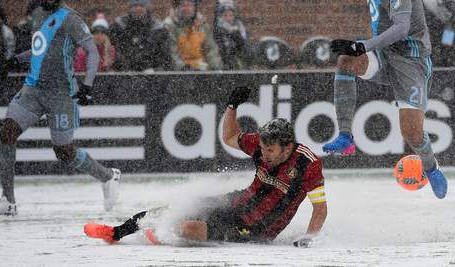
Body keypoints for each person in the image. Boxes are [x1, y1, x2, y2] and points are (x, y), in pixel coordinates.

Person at [84, 86, 327, 246]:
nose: (264, 154)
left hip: (257, 229)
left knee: (189, 227)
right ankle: (116, 233)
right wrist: (232, 106)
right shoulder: (262, 145)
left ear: (287, 147)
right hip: (238, 202)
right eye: (262, 148)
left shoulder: (308, 164)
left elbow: (320, 209)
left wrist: (308, 238)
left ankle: (158, 236)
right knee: (175, 207)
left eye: (270, 151)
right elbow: (230, 136)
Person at [0, 0, 121, 217]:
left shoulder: (71, 19)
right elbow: (39, 51)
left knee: (64, 153)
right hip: (33, 89)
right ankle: (8, 200)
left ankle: (108, 176)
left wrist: (87, 85)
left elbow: (92, 52)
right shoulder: (37, 15)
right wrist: (13, 61)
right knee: (7, 133)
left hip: (61, 94)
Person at [322, 0, 448, 199]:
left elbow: (402, 28)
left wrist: (363, 45)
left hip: (411, 60)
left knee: (412, 133)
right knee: (346, 61)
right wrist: (359, 47)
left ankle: (431, 166)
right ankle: (345, 137)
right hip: (385, 54)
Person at [110, 0, 171, 71]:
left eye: (142, 6)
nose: (138, 9)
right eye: (135, 6)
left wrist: (155, 70)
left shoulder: (158, 29)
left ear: (147, 7)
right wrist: (124, 68)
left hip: (151, 74)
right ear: (130, 8)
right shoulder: (119, 27)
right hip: (125, 73)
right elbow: (115, 51)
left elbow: (164, 56)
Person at [163, 0, 222, 71]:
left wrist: (215, 67)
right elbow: (172, 53)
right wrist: (184, 68)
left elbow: (211, 48)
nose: (186, 9)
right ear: (177, 8)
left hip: (202, 70)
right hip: (178, 73)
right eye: (183, 5)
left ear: (195, 8)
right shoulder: (169, 26)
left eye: (190, 5)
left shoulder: (202, 25)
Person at [212, 0, 252, 69]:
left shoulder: (240, 29)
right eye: (225, 15)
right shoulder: (217, 31)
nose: (228, 18)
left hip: (239, 63)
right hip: (224, 65)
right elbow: (219, 49)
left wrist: (237, 36)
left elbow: (245, 48)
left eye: (231, 15)